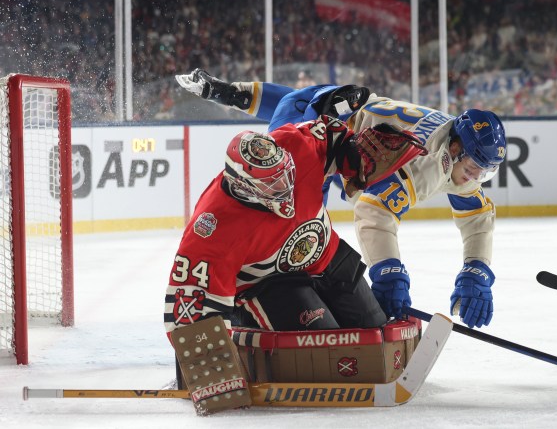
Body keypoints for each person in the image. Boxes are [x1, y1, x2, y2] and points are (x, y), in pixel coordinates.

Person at [175, 70, 507, 329]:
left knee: (304, 225)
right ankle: (250, 300)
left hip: (334, 117)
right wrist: (387, 271)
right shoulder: (428, 164)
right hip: (322, 137)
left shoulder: (454, 154)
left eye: (484, 172)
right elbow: (374, 210)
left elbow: (476, 213)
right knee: (289, 221)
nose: (475, 178)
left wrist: (476, 271)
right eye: (475, 167)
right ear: (453, 150)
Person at [164, 115, 427, 336]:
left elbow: (331, 135)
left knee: (374, 328)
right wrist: (208, 364)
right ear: (243, 186)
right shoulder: (214, 225)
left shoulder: (293, 144)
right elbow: (191, 305)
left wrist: (355, 155)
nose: (285, 189)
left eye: (286, 175)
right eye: (272, 184)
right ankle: (245, 322)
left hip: (327, 255)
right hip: (271, 282)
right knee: (325, 346)